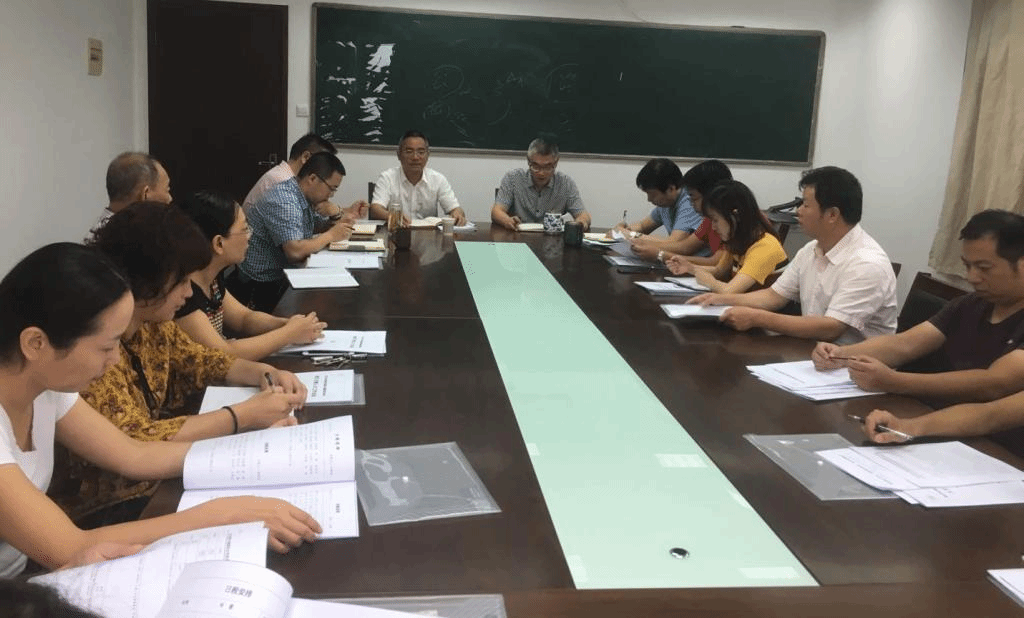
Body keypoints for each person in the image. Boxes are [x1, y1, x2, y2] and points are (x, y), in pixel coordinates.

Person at [0, 243, 320, 577]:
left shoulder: (47, 386)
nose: (115, 359)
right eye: (107, 347)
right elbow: (70, 549)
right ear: (36, 343)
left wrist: (247, 448)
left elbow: (134, 454)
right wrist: (224, 514)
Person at [60, 202, 309, 524]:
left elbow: (204, 361)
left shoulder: (153, 324)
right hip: (112, 504)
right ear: (146, 281)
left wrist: (266, 372)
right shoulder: (91, 351)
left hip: (157, 478)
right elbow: (137, 442)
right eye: (180, 282)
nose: (189, 293)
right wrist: (243, 418)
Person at [814, 210, 1024, 403]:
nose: (972, 277)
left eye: (984, 268)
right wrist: (840, 355)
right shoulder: (970, 304)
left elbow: (994, 384)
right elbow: (905, 344)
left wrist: (895, 381)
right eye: (968, 266)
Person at [689, 166, 897, 344]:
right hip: (814, 354)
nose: (798, 211)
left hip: (855, 366)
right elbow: (773, 297)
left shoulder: (866, 264)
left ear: (832, 214)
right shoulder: (811, 250)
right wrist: (720, 299)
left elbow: (831, 328)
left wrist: (757, 318)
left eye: (805, 205)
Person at [175, 191, 327, 360]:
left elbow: (244, 319)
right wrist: (289, 333)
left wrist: (287, 324)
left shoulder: (211, 278)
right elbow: (224, 354)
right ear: (219, 243)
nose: (250, 235)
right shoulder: (183, 295)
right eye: (244, 229)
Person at [231, 152, 366, 312]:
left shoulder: (301, 194)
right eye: (331, 188)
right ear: (312, 179)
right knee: (332, 305)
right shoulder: (285, 200)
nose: (331, 195)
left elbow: (317, 225)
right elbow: (294, 252)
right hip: (263, 284)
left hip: (283, 274)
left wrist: (336, 216)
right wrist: (331, 235)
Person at [665, 180, 786, 293]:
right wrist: (690, 268)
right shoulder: (737, 241)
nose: (713, 227)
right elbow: (720, 271)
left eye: (715, 220)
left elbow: (730, 291)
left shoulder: (764, 247)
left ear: (736, 216)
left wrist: (710, 282)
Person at [614, 158, 710, 262]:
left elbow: (677, 244)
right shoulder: (666, 204)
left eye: (652, 194)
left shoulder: (690, 202)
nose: (649, 199)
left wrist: (631, 236)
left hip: (694, 264)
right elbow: (642, 226)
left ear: (670, 189)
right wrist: (620, 231)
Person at [367, 130, 467, 225]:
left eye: (421, 152)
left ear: (428, 155)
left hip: (428, 235)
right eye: (409, 151)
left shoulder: (438, 179)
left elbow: (455, 208)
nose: (415, 157)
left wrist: (457, 214)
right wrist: (393, 216)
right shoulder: (387, 178)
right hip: (396, 231)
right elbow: (375, 209)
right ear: (399, 155)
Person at [491, 138, 591, 231]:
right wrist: (507, 220)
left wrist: (580, 223)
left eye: (547, 167)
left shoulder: (565, 183)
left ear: (556, 163)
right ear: (528, 161)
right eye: (536, 166)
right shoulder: (513, 179)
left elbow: (583, 215)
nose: (541, 173)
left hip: (552, 238)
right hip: (518, 236)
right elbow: (496, 211)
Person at [242, 132, 346, 215]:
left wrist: (339, 211)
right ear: (306, 157)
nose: (326, 169)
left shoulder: (291, 178)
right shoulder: (281, 181)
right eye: (323, 162)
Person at [96, 152, 172, 229]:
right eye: (167, 190)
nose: (170, 199)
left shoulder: (102, 231)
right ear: (145, 195)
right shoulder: (129, 235)